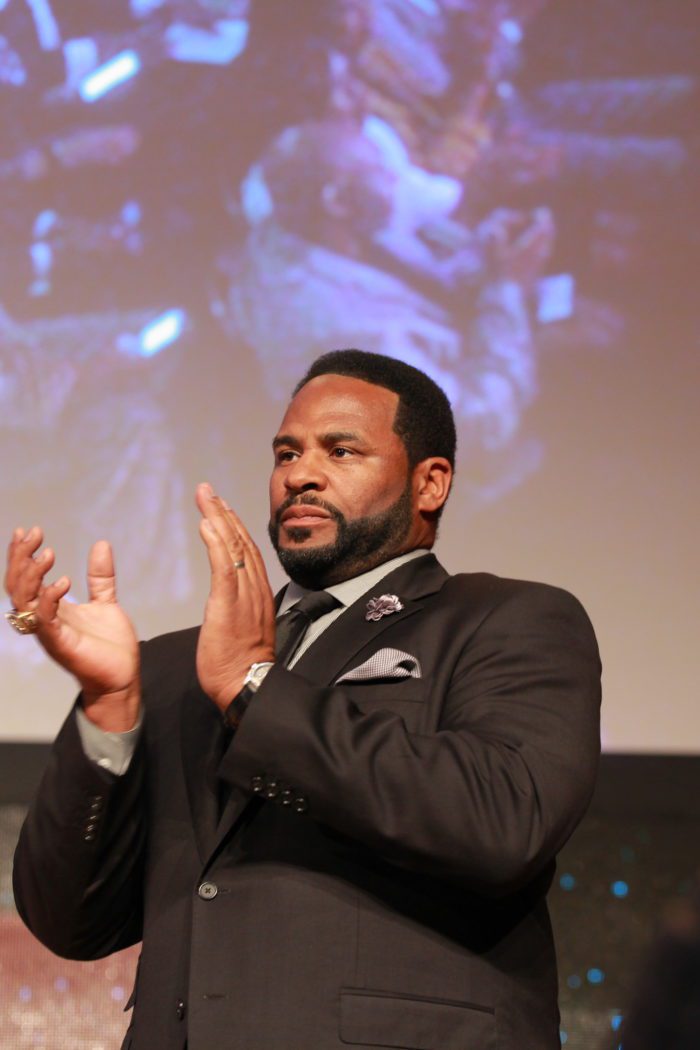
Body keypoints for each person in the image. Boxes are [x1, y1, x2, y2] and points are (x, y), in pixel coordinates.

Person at [7, 349, 601, 1050]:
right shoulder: (174, 667)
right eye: (286, 453)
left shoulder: (507, 619)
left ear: (430, 482)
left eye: (340, 451)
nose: (300, 475)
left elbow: (505, 821)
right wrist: (108, 709)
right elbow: (71, 922)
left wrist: (255, 690)